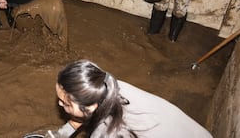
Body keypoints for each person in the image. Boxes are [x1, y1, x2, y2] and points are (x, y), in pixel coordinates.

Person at [45, 59, 212, 138]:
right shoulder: (108, 85)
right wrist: (61, 134)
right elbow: (89, 111)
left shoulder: (109, 134)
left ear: (89, 107)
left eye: (65, 103)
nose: (59, 104)